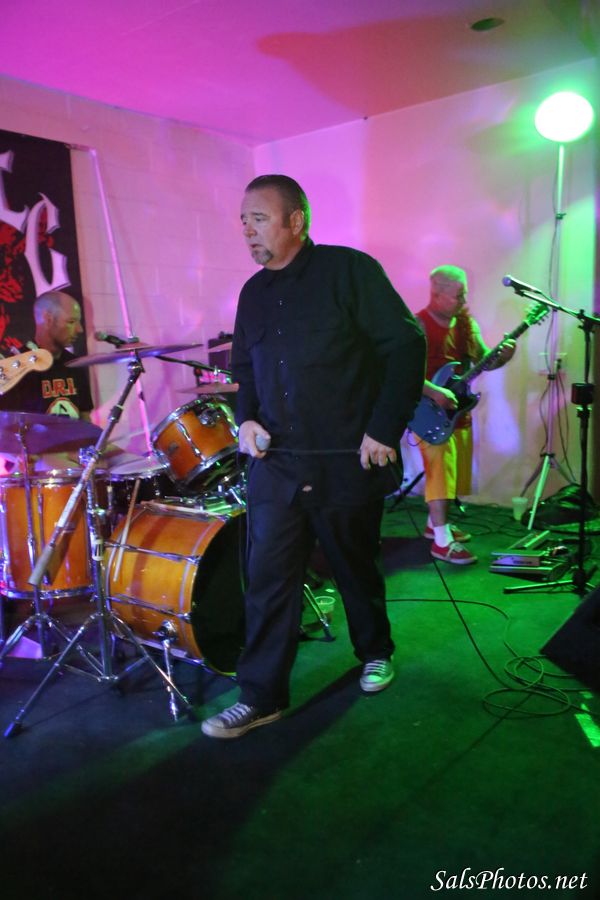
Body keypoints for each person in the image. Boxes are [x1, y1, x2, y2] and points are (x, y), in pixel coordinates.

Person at [201, 174, 426, 739]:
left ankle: (374, 650)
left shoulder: (349, 271)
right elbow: (245, 369)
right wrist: (246, 418)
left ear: (295, 220)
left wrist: (383, 429)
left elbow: (405, 344)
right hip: (276, 464)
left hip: (346, 459)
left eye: (258, 218)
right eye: (243, 220)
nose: (247, 229)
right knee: (268, 579)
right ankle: (260, 695)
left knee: (353, 565)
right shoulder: (252, 294)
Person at [415, 265, 516, 565]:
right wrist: (435, 392)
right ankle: (442, 541)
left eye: (465, 294)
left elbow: (484, 360)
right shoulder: (417, 325)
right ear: (436, 294)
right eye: (458, 295)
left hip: (458, 409)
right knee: (440, 470)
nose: (463, 300)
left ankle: (435, 524)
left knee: (455, 472)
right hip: (428, 411)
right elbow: (403, 373)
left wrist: (503, 357)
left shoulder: (466, 324)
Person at [0, 290, 93, 420]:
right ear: (48, 320)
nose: (80, 329)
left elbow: (85, 418)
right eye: (71, 322)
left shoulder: (75, 365)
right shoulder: (15, 367)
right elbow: (7, 425)